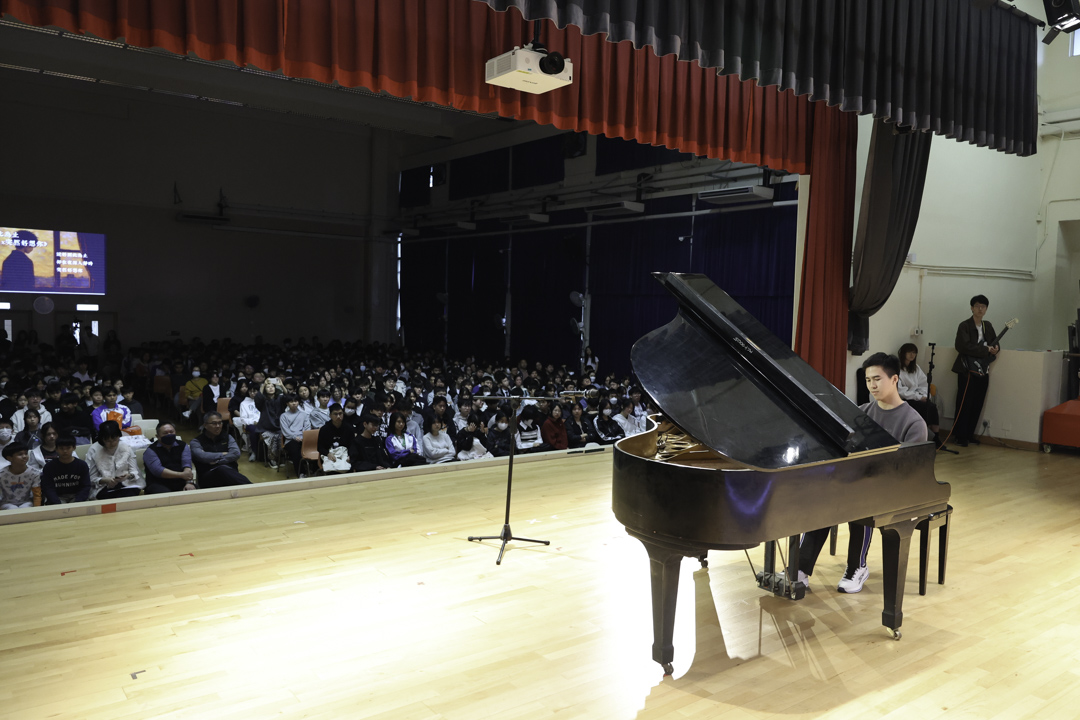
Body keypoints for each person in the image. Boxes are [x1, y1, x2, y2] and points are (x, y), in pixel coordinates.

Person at [797, 352, 928, 594]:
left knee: (861, 497)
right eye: (868, 380)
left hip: (893, 490)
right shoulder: (862, 412)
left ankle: (857, 566)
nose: (872, 385)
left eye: (877, 379)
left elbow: (910, 473)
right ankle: (800, 568)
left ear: (895, 379)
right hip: (859, 483)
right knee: (822, 498)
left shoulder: (914, 422)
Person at [952, 295, 998, 447]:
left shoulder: (987, 326)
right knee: (964, 403)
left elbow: (994, 344)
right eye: (977, 306)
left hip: (983, 369)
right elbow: (962, 346)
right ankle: (960, 436)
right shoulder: (964, 325)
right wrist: (985, 350)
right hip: (967, 370)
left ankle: (969, 434)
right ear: (972, 308)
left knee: (978, 402)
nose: (980, 309)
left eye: (983, 306)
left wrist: (995, 349)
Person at [188, 412, 251, 487]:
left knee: (224, 470)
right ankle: (251, 488)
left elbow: (236, 453)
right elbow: (202, 456)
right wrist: (223, 454)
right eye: (214, 423)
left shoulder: (228, 437)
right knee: (221, 469)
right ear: (205, 425)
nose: (218, 426)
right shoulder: (196, 441)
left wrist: (217, 461)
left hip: (230, 474)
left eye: (220, 423)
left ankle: (250, 488)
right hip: (208, 477)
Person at [86, 421, 144, 500]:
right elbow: (91, 478)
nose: (112, 443)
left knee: (130, 494)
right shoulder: (94, 450)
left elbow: (134, 471)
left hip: (126, 484)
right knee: (108, 497)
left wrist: (128, 476)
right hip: (104, 486)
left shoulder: (125, 447)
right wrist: (105, 480)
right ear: (102, 439)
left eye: (114, 439)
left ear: (119, 436)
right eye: (108, 440)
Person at [897, 343, 941, 443]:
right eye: (909, 352)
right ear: (903, 353)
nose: (912, 355)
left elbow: (924, 384)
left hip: (918, 397)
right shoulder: (898, 369)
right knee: (924, 408)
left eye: (914, 352)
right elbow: (901, 391)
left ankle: (936, 437)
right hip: (906, 399)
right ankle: (925, 436)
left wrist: (924, 396)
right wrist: (918, 397)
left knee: (932, 407)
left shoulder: (916, 368)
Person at [143, 421, 196, 494]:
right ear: (157, 436)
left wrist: (189, 482)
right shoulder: (150, 451)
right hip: (158, 483)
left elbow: (187, 466)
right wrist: (181, 475)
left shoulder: (183, 445)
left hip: (180, 481)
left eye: (171, 432)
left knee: (193, 491)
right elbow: (158, 471)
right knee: (165, 494)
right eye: (165, 433)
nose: (169, 434)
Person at [40, 435, 92, 504]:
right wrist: (58, 503)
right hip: (58, 497)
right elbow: (48, 488)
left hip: (77, 496)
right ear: (56, 449)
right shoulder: (49, 467)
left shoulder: (82, 465)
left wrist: (77, 501)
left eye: (68, 448)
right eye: (61, 448)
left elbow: (86, 486)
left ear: (74, 447)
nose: (65, 451)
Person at [0, 442, 41, 509]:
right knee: (12, 508)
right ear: (9, 458)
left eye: (26, 453)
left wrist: (37, 509)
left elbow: (37, 494)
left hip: (26, 502)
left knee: (25, 508)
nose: (24, 456)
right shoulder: (2, 474)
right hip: (6, 503)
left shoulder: (34, 473)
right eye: (20, 454)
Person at [280, 393, 312, 477]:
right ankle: (301, 473)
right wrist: (295, 437)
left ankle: (314, 469)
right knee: (295, 450)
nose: (294, 403)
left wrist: (303, 437)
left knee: (314, 446)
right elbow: (285, 431)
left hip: (303, 438)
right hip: (290, 440)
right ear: (287, 403)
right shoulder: (283, 416)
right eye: (291, 401)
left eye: (296, 401)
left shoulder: (304, 414)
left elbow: (307, 427)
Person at [317, 404, 354, 473]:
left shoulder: (349, 428)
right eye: (335, 414)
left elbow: (352, 445)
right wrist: (328, 454)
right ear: (330, 415)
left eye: (340, 414)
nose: (338, 416)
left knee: (347, 467)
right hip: (330, 453)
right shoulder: (324, 429)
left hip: (344, 453)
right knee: (331, 469)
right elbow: (320, 447)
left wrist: (350, 455)